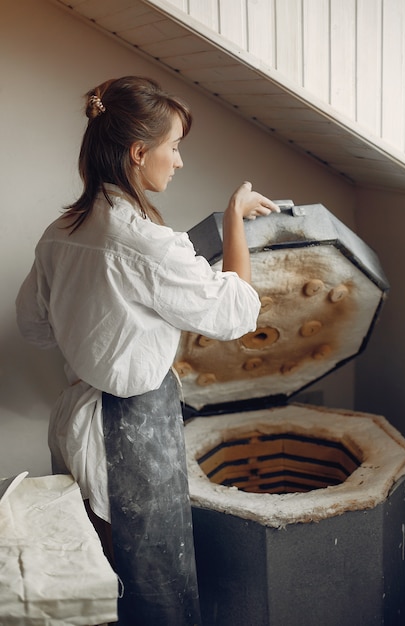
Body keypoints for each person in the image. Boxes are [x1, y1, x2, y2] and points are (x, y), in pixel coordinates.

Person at [15, 75, 278, 625]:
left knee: (93, 579)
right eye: (174, 147)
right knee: (154, 586)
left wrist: (95, 331)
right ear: (139, 153)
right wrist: (234, 216)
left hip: (76, 420)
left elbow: (35, 327)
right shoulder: (150, 245)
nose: (178, 161)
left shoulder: (60, 231)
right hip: (132, 435)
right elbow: (237, 312)